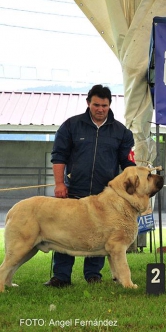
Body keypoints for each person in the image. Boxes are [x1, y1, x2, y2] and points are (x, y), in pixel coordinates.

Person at [45, 84, 136, 288]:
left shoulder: (122, 132)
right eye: (96, 104)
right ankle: (61, 276)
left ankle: (93, 275)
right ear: (88, 103)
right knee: (64, 233)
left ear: (110, 105)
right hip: (72, 191)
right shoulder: (70, 125)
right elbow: (58, 156)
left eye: (104, 105)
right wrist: (59, 183)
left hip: (104, 197)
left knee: (100, 235)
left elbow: (129, 165)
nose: (100, 109)